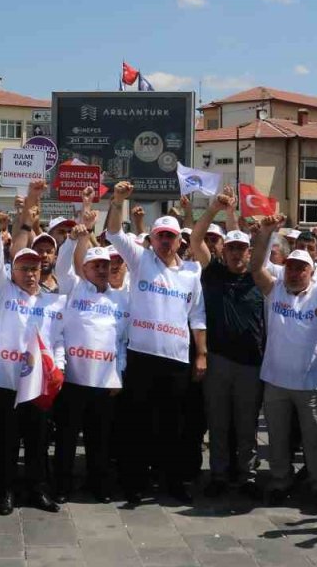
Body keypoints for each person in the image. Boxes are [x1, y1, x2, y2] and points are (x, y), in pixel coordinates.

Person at [105, 181, 207, 504]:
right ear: (151, 239)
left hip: (176, 360)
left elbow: (198, 317)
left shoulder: (192, 272)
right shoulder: (141, 260)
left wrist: (201, 354)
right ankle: (134, 484)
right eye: (160, 236)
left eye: (171, 236)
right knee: (138, 423)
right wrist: (119, 200)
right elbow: (113, 234)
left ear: (180, 240)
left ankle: (173, 483)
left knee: (172, 426)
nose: (165, 241)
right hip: (142, 356)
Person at [249, 214, 317, 510]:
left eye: (300, 268)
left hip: (309, 382)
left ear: (310, 271)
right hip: (276, 380)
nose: (293, 273)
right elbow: (255, 267)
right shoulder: (274, 290)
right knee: (276, 438)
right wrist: (265, 234)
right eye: (290, 266)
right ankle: (280, 480)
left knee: (315, 439)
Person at [0, 211, 66, 514]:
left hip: (39, 384)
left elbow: (57, 339)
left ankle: (37, 489)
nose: (30, 274)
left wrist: (60, 368)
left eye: (35, 268)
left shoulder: (50, 301)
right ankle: (4, 491)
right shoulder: (4, 291)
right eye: (24, 268)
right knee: (6, 441)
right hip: (7, 381)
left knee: (38, 440)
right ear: (13, 270)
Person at [188, 188, 264, 499]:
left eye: (241, 249)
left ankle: (246, 475)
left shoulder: (260, 277)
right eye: (231, 248)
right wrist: (214, 210)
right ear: (224, 251)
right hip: (218, 360)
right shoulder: (213, 273)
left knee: (247, 425)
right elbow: (195, 240)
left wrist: (254, 229)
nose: (235, 253)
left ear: (249, 253)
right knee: (217, 422)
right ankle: (219, 473)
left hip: (251, 363)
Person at [51, 210, 129, 503]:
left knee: (100, 439)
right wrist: (72, 241)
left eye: (105, 265)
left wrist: (118, 375)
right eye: (95, 265)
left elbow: (121, 341)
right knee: (67, 438)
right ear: (84, 268)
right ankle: (61, 485)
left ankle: (98, 485)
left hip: (104, 380)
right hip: (73, 378)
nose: (101, 269)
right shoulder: (73, 288)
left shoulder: (119, 298)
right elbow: (61, 266)